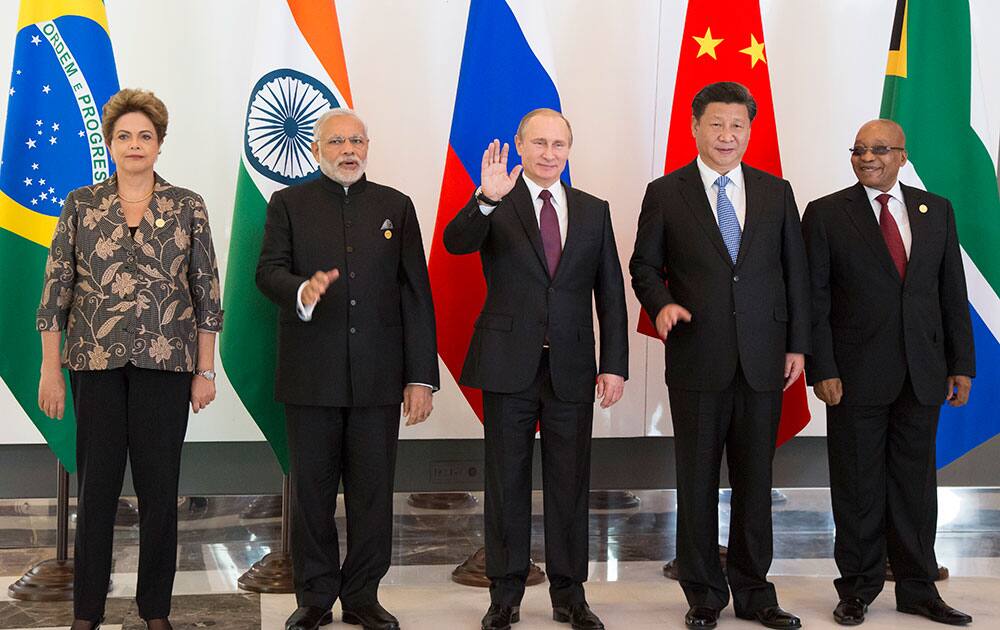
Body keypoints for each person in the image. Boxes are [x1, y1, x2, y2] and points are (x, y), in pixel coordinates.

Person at [36, 88, 223, 630]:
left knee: (160, 492)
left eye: (145, 136)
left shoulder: (187, 205)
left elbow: (207, 294)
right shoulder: (80, 205)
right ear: (110, 144)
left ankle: (155, 611)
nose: (134, 145)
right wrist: (52, 368)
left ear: (160, 145)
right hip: (94, 365)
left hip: (167, 369)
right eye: (124, 136)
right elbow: (56, 292)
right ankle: (87, 612)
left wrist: (205, 371)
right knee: (96, 492)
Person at [629, 82, 809, 630]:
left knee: (757, 481)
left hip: (764, 360)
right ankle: (703, 594)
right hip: (696, 359)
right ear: (695, 127)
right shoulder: (666, 192)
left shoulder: (776, 191)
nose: (727, 135)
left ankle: (756, 593)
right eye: (716, 124)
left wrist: (797, 344)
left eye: (737, 125)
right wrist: (661, 304)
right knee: (698, 480)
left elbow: (795, 274)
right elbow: (642, 266)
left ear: (750, 131)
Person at [444, 108, 629, 630]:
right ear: (520, 147)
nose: (550, 153)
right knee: (506, 482)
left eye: (559, 144)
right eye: (539, 143)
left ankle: (570, 596)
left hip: (572, 366)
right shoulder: (497, 199)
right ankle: (505, 595)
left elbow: (610, 295)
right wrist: (485, 198)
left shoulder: (594, 210)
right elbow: (455, 244)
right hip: (509, 365)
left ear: (569, 150)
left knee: (570, 483)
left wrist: (614, 365)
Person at [256, 108, 438, 630]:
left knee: (373, 493)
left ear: (368, 145)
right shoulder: (288, 204)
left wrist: (420, 377)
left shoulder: (394, 207)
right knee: (312, 493)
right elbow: (267, 273)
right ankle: (314, 597)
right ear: (316, 149)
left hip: (379, 380)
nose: (348, 149)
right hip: (310, 377)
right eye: (337, 141)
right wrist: (302, 291)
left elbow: (415, 296)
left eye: (356, 139)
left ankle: (362, 595)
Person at [802, 119, 975, 627]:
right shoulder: (827, 213)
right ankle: (857, 589)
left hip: (922, 373)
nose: (867, 157)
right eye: (858, 149)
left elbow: (951, 294)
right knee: (856, 486)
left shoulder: (935, 210)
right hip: (853, 377)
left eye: (879, 149)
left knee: (915, 487)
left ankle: (919, 588)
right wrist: (822, 367)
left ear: (902, 155)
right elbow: (815, 300)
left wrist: (961, 364)